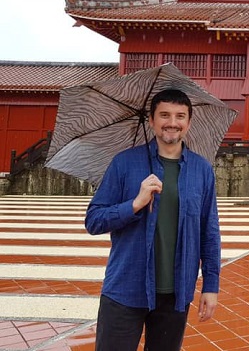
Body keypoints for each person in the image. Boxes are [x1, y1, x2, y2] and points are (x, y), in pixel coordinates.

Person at [85, 88, 221, 351]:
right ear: (151, 120)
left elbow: (210, 232)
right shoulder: (124, 163)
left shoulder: (202, 170)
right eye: (164, 115)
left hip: (176, 293)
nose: (172, 122)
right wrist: (134, 204)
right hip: (126, 288)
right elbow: (94, 220)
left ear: (189, 122)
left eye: (180, 116)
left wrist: (211, 286)